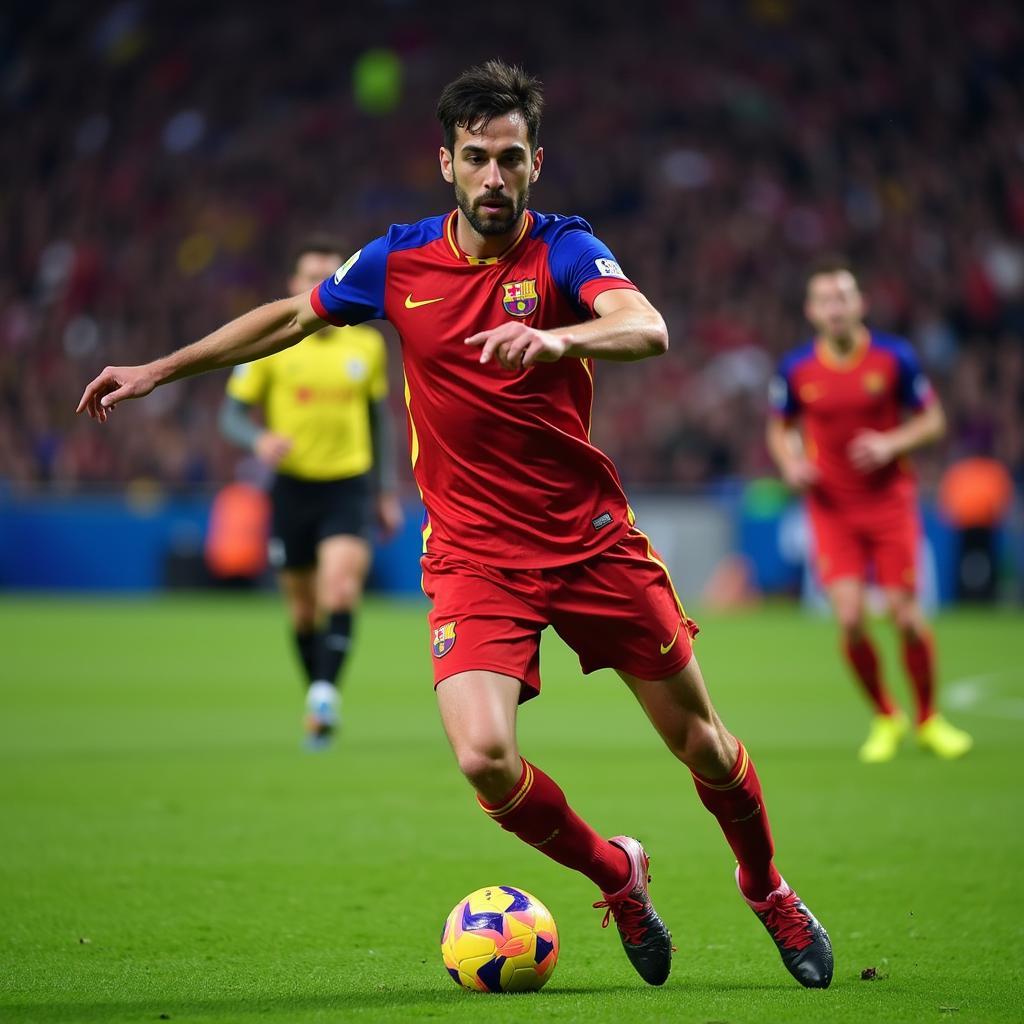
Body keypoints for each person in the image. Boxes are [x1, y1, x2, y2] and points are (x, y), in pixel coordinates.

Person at [78, 60, 832, 989]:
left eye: (510, 159)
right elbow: (289, 319)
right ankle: (618, 875)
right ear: (446, 163)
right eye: (476, 158)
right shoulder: (399, 261)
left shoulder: (565, 249)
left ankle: (766, 888)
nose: (493, 178)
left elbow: (647, 326)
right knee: (484, 758)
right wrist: (158, 369)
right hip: (475, 556)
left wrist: (559, 336)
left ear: (535, 163)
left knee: (705, 746)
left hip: (589, 539)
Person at [766, 259, 973, 764]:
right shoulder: (796, 369)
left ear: (861, 305)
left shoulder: (894, 358)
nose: (836, 308)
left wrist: (890, 442)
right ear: (812, 311)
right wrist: (792, 464)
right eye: (826, 300)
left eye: (844, 297)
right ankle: (887, 715)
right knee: (852, 619)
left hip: (889, 502)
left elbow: (934, 420)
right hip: (832, 509)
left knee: (905, 617)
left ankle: (928, 719)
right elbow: (778, 427)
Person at [217, 238, 403, 747]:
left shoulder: (365, 344)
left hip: (348, 485)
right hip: (292, 488)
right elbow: (230, 415)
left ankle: (324, 694)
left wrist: (385, 491)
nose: (320, 286)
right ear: (294, 287)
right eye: (310, 277)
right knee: (302, 610)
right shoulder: (273, 346)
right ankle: (318, 692)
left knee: (339, 590)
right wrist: (259, 438)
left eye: (330, 277)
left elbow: (377, 421)